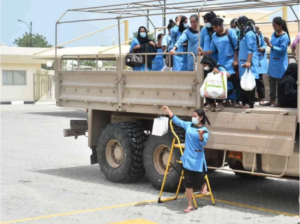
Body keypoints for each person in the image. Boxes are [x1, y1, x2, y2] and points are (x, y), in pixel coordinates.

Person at [162, 106, 210, 213]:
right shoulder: (188, 125)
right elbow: (177, 121)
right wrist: (168, 110)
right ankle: (189, 205)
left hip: (198, 159)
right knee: (188, 183)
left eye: (195, 116)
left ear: (201, 118)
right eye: (192, 116)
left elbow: (203, 143)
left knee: (199, 178)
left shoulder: (204, 130)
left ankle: (203, 184)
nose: (192, 118)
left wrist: (201, 136)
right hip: (188, 159)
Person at [198, 18, 238, 106]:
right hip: (221, 61)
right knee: (223, 81)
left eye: (216, 27)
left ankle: (233, 101)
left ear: (221, 25)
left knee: (232, 81)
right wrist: (204, 52)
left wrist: (235, 60)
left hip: (231, 61)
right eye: (214, 28)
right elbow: (212, 50)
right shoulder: (214, 36)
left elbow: (236, 47)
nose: (215, 29)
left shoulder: (230, 32)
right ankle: (224, 101)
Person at [262, 17, 290, 106]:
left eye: (275, 26)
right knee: (271, 82)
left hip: (280, 63)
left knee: (280, 84)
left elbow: (282, 49)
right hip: (272, 62)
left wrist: (271, 46)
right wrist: (268, 42)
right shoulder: (274, 34)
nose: (274, 27)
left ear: (280, 26)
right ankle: (272, 99)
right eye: (273, 26)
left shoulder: (285, 37)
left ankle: (279, 100)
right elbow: (272, 44)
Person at [234, 16, 259, 109]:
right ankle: (244, 102)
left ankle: (249, 103)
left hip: (249, 62)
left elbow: (250, 49)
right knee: (243, 82)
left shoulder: (249, 34)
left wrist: (248, 61)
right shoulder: (242, 34)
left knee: (249, 83)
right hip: (242, 62)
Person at [255, 25, 268, 105]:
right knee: (251, 80)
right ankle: (252, 97)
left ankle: (261, 98)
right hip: (252, 60)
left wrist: (262, 48)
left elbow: (264, 45)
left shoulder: (260, 35)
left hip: (259, 60)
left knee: (259, 80)